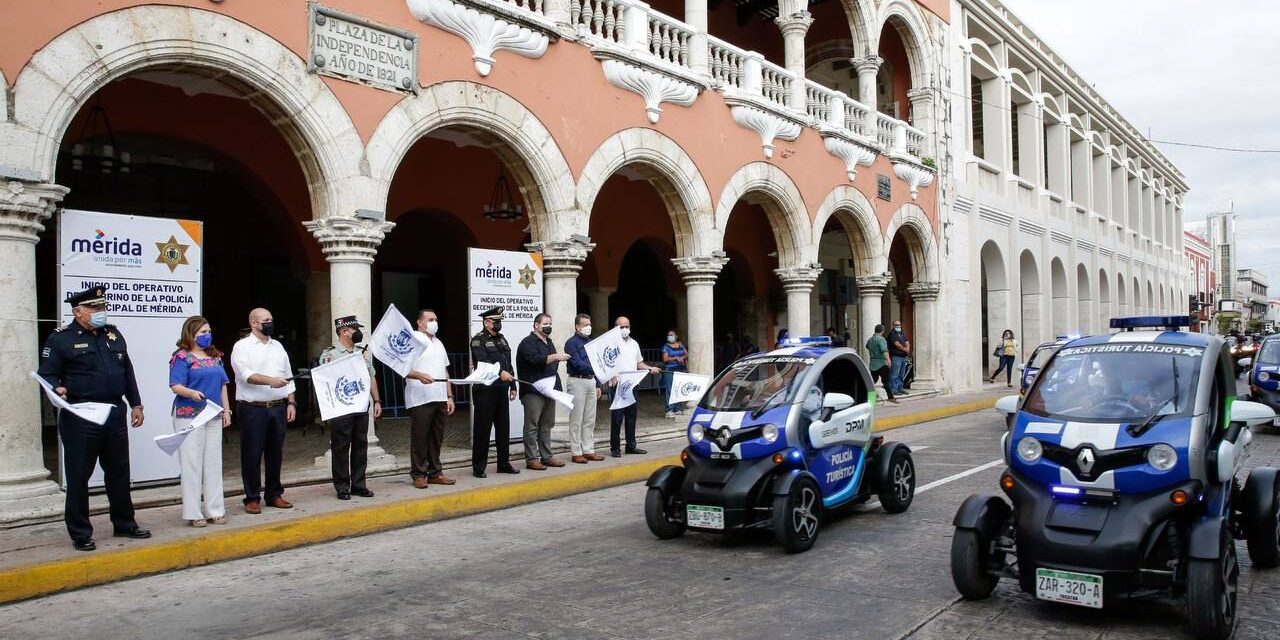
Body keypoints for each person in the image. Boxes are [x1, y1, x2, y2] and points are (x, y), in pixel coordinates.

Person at [38, 286, 150, 551]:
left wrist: (136, 404)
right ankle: (80, 532)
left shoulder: (112, 334)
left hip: (113, 412)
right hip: (81, 415)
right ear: (78, 312)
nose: (101, 312)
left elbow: (127, 371)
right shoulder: (60, 339)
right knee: (79, 475)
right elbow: (48, 375)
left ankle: (124, 522)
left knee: (119, 472)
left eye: (102, 307)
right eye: (95, 308)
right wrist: (57, 388)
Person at [229, 308, 296, 514]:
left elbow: (288, 376)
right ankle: (251, 497)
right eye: (266, 320)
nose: (270, 323)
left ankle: (274, 493)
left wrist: (291, 402)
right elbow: (245, 375)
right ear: (254, 323)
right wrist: (271, 382)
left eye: (271, 319)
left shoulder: (278, 346)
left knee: (275, 453)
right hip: (252, 409)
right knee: (252, 453)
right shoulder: (242, 347)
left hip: (277, 407)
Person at [168, 316, 232, 527]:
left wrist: (227, 410)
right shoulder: (181, 357)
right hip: (190, 415)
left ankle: (216, 510)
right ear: (191, 334)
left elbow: (223, 384)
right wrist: (192, 393)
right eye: (203, 332)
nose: (207, 335)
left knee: (213, 463)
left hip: (213, 414)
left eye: (209, 331)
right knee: (192, 464)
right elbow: (175, 385)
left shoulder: (215, 356)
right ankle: (194, 513)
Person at [318, 315, 381, 501]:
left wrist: (376, 400)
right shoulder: (330, 354)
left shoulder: (362, 352)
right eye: (355, 329)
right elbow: (327, 378)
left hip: (361, 406)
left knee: (361, 445)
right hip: (341, 408)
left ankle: (359, 484)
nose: (358, 333)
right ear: (344, 331)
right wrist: (353, 361)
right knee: (341, 447)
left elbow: (371, 377)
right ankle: (342, 486)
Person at [404, 309, 456, 488]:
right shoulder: (412, 339)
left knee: (436, 438)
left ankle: (435, 472)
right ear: (419, 322)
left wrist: (449, 396)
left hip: (439, 396)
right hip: (420, 398)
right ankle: (419, 474)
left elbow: (445, 370)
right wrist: (419, 375)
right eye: (430, 319)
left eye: (436, 319)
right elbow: (402, 368)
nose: (434, 322)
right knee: (420, 438)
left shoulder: (439, 343)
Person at [469, 306, 519, 478]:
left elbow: (508, 364)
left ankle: (503, 464)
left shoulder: (502, 340)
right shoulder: (478, 340)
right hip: (485, 390)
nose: (498, 324)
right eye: (495, 321)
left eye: (499, 321)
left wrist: (513, 386)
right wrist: (499, 373)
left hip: (501, 390)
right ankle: (479, 467)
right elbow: (483, 363)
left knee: (503, 429)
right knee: (483, 430)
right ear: (486, 322)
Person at [516, 313, 570, 470]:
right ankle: (532, 459)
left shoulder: (549, 342)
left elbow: (552, 368)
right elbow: (535, 360)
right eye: (545, 323)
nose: (548, 326)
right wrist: (554, 356)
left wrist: (557, 388)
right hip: (533, 390)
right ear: (536, 325)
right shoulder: (527, 343)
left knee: (547, 424)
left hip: (549, 390)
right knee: (532, 426)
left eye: (550, 323)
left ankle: (546, 456)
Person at [610, 316, 661, 457]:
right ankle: (615, 448)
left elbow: (639, 363)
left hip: (632, 385)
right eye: (622, 327)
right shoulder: (611, 344)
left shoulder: (634, 344)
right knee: (617, 418)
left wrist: (650, 368)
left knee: (631, 417)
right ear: (616, 328)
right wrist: (612, 376)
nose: (625, 329)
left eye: (627, 326)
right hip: (618, 385)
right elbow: (605, 364)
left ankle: (631, 446)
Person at [564, 314, 605, 464]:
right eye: (585, 325)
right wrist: (595, 369)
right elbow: (576, 363)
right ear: (577, 327)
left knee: (589, 418)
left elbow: (599, 362)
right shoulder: (571, 343)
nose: (589, 327)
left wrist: (598, 384)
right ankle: (576, 452)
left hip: (590, 381)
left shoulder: (592, 342)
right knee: (576, 418)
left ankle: (588, 450)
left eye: (590, 324)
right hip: (577, 380)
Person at [865, 324, 899, 404]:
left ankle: (870, 399)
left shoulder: (870, 340)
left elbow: (867, 346)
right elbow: (884, 350)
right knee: (886, 382)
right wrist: (888, 360)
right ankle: (891, 397)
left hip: (873, 364)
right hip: (882, 363)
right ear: (882, 331)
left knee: (872, 382)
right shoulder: (881, 339)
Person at [661, 328, 688, 418]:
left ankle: (678, 408)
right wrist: (676, 358)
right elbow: (665, 359)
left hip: (680, 369)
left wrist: (682, 358)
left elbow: (687, 354)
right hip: (670, 369)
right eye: (669, 335)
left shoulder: (680, 344)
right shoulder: (666, 346)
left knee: (679, 389)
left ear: (676, 336)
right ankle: (669, 410)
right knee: (670, 389)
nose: (669, 336)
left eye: (671, 335)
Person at [888, 320, 911, 396]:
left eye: (899, 325)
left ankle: (900, 388)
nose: (898, 326)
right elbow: (896, 344)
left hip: (903, 357)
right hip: (896, 356)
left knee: (901, 374)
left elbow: (907, 341)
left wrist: (907, 349)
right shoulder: (892, 334)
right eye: (897, 325)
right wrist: (905, 349)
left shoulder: (901, 333)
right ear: (893, 325)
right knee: (895, 374)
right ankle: (894, 389)